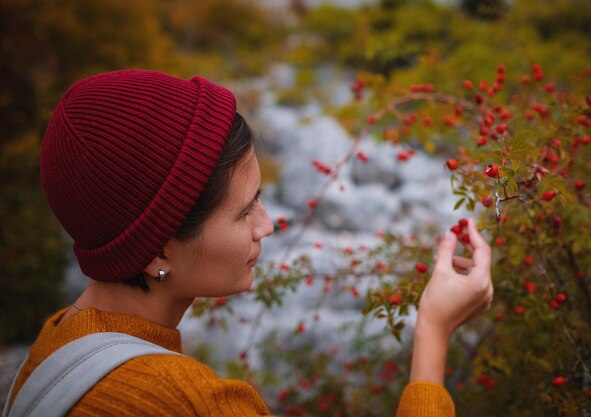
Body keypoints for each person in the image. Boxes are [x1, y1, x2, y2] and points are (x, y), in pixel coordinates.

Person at [4, 70, 492, 416]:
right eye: (245, 211)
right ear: (157, 249)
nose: (268, 226)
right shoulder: (192, 402)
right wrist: (433, 332)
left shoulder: (54, 343)